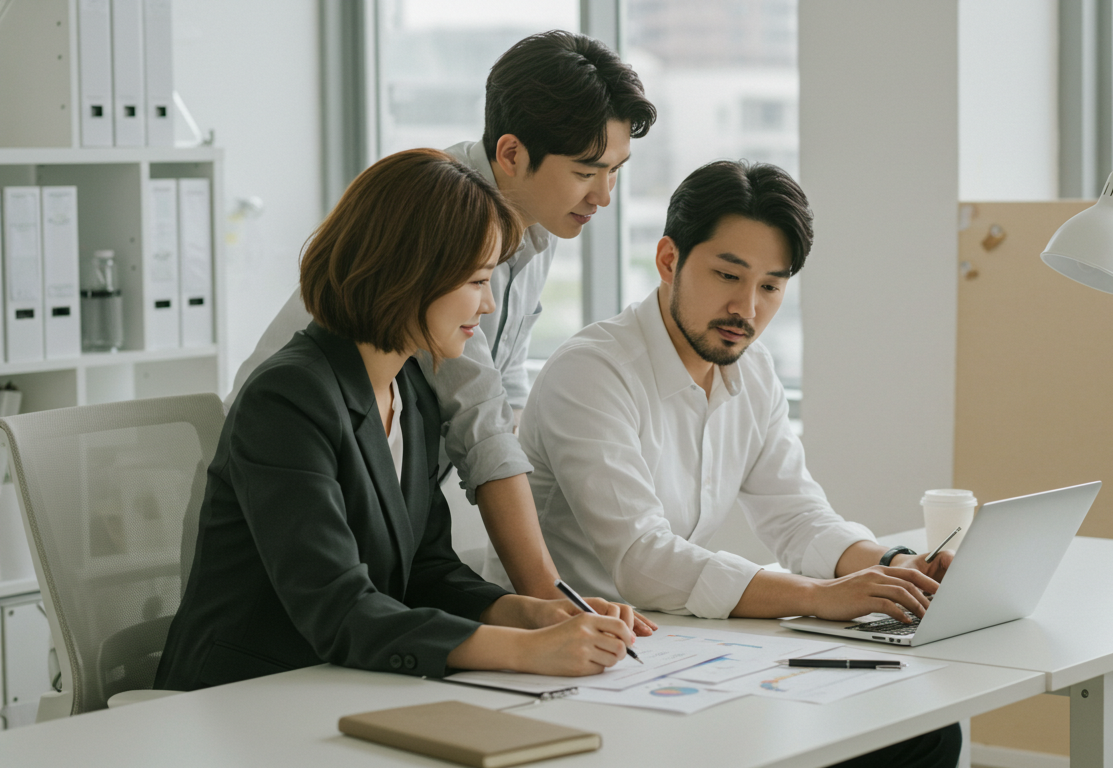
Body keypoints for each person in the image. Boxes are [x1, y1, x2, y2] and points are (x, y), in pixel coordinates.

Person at [491, 160, 961, 767]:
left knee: (925, 732)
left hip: (679, 649)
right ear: (668, 260)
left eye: (770, 287)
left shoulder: (752, 371)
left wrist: (897, 567)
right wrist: (821, 596)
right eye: (727, 275)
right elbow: (643, 560)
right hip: (575, 660)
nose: (747, 308)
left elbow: (798, 518)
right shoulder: (593, 372)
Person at [154, 149, 638, 691]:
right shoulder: (286, 399)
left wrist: (528, 613)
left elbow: (427, 571)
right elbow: (339, 609)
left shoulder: (409, 390)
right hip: (245, 694)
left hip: (342, 684)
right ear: (410, 275)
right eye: (477, 282)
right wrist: (527, 651)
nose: (487, 306)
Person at [227, 31, 658, 612]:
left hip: (382, 511)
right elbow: (478, 418)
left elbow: (503, 391)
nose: (604, 196)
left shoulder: (539, 220)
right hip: (289, 494)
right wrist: (549, 601)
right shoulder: (443, 216)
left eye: (615, 171)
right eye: (587, 172)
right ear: (512, 154)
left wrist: (540, 609)